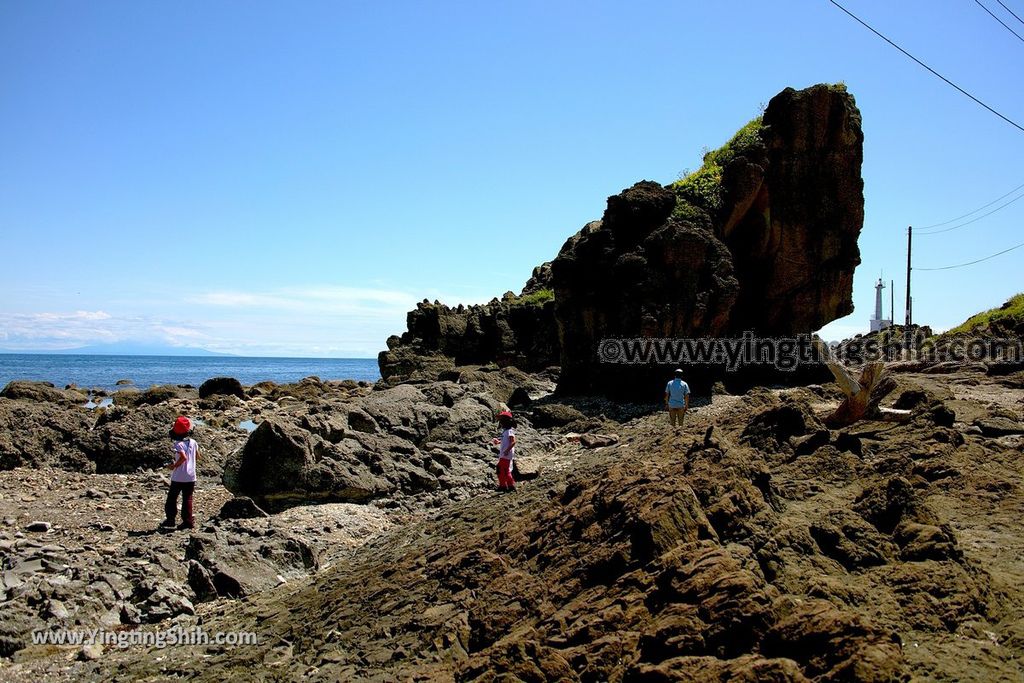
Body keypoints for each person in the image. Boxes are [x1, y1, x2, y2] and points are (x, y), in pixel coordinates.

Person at [162, 416, 198, 530]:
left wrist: (174, 465)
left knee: (172, 498)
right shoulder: (193, 442)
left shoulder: (178, 444)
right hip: (191, 476)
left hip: (179, 476)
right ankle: (187, 521)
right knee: (187, 498)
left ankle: (170, 520)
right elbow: (197, 456)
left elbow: (183, 457)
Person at [493, 410, 517, 492]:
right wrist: (498, 442)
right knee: (503, 469)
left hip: (506, 453)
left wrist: (507, 450)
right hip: (504, 453)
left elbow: (513, 441)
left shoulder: (510, 431)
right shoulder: (505, 431)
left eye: (501, 421)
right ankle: (506, 485)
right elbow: (506, 441)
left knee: (502, 469)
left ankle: (507, 485)